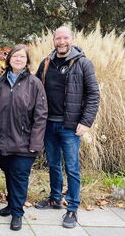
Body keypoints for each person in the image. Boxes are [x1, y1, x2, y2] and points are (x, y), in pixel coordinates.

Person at [35, 26, 100, 228]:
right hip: (48, 124)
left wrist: (86, 122)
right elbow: (35, 89)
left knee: (72, 168)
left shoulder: (83, 63)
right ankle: (55, 198)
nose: (61, 42)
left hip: (70, 127)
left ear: (71, 39)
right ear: (53, 40)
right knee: (53, 164)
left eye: (65, 38)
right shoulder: (46, 63)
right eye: (58, 38)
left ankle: (72, 208)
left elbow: (93, 95)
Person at [0, 44, 48, 231]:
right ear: (9, 59)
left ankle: (17, 213)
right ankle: (10, 204)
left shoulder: (34, 84)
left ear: (27, 61)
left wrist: (36, 143)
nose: (18, 59)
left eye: (22, 57)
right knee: (9, 173)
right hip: (3, 141)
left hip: (25, 143)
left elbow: (41, 116)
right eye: (15, 56)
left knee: (20, 176)